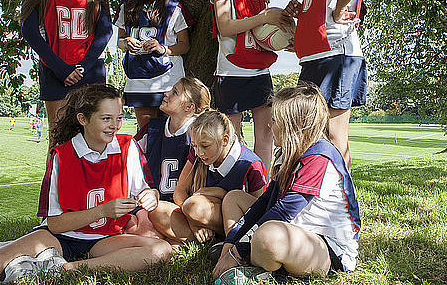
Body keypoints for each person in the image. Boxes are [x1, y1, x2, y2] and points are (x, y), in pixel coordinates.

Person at [0, 84, 172, 284]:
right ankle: (16, 251)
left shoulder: (128, 147)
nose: (114, 125)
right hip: (60, 237)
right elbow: (55, 223)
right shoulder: (62, 155)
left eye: (119, 118)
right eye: (106, 118)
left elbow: (145, 189)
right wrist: (102, 211)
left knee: (161, 250)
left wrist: (150, 194)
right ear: (83, 119)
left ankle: (64, 268)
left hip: (104, 238)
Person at [212, 84, 361, 285]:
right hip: (292, 229)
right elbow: (265, 202)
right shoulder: (287, 154)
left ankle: (253, 265)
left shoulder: (319, 157)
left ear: (292, 126)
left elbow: (283, 211)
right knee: (234, 198)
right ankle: (248, 258)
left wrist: (239, 250)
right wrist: (231, 245)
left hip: (326, 248)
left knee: (267, 237)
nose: (268, 126)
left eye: (274, 121)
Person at [287, 0, 380, 169]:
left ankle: (342, 204)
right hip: (319, 58)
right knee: (310, 133)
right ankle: (320, 195)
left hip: (335, 55)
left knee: (333, 134)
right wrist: (301, 13)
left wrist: (341, 5)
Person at [20, 0, 113, 150]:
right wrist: (61, 68)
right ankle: (55, 186)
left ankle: (94, 186)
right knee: (59, 141)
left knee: (95, 140)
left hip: (89, 70)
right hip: (55, 70)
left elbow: (105, 31)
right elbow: (29, 30)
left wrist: (83, 67)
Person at [210, 0, 294, 174]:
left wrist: (284, 28)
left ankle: (260, 188)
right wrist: (264, 17)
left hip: (259, 70)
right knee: (231, 136)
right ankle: (234, 185)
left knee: (267, 134)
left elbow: (261, 34)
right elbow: (225, 26)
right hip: (231, 70)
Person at [147, 110, 267, 245]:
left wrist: (220, 194)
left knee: (195, 207)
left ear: (225, 140)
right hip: (195, 216)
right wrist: (194, 224)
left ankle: (219, 240)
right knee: (157, 210)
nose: (199, 152)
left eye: (205, 146)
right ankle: (205, 239)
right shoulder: (198, 154)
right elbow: (180, 191)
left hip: (230, 219)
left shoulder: (251, 165)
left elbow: (256, 210)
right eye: (194, 146)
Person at [124, 76, 211, 240]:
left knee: (154, 216)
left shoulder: (199, 135)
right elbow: (129, 155)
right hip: (153, 200)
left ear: (189, 107)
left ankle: (179, 236)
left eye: (175, 92)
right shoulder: (153, 128)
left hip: (185, 207)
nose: (166, 93)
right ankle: (171, 238)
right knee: (136, 221)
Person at [115, 0, 192, 130]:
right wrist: (125, 43)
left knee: (176, 129)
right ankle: (146, 158)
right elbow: (119, 41)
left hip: (169, 78)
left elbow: (184, 45)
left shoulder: (175, 8)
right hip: (138, 78)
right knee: (146, 131)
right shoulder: (127, 6)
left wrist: (163, 49)